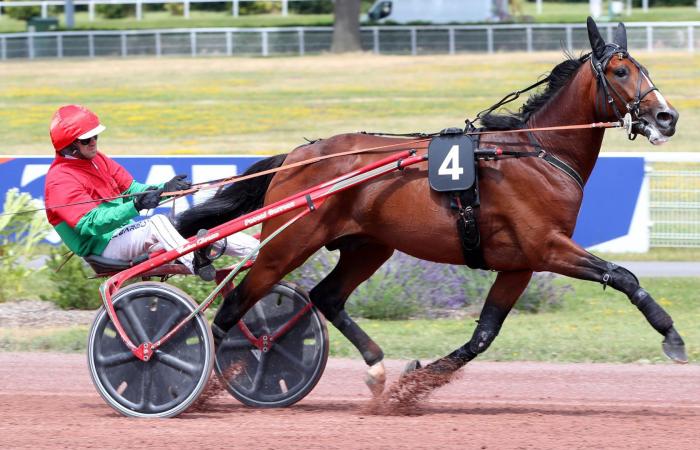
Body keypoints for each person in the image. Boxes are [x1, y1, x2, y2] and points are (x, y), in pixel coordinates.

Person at [44, 104, 259, 280]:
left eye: (95, 137)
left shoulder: (98, 159)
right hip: (103, 247)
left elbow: (132, 189)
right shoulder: (59, 180)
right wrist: (136, 205)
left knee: (193, 225)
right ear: (70, 146)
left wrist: (164, 190)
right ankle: (195, 262)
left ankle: (260, 251)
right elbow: (91, 224)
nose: (94, 143)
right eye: (86, 140)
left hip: (125, 235)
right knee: (157, 224)